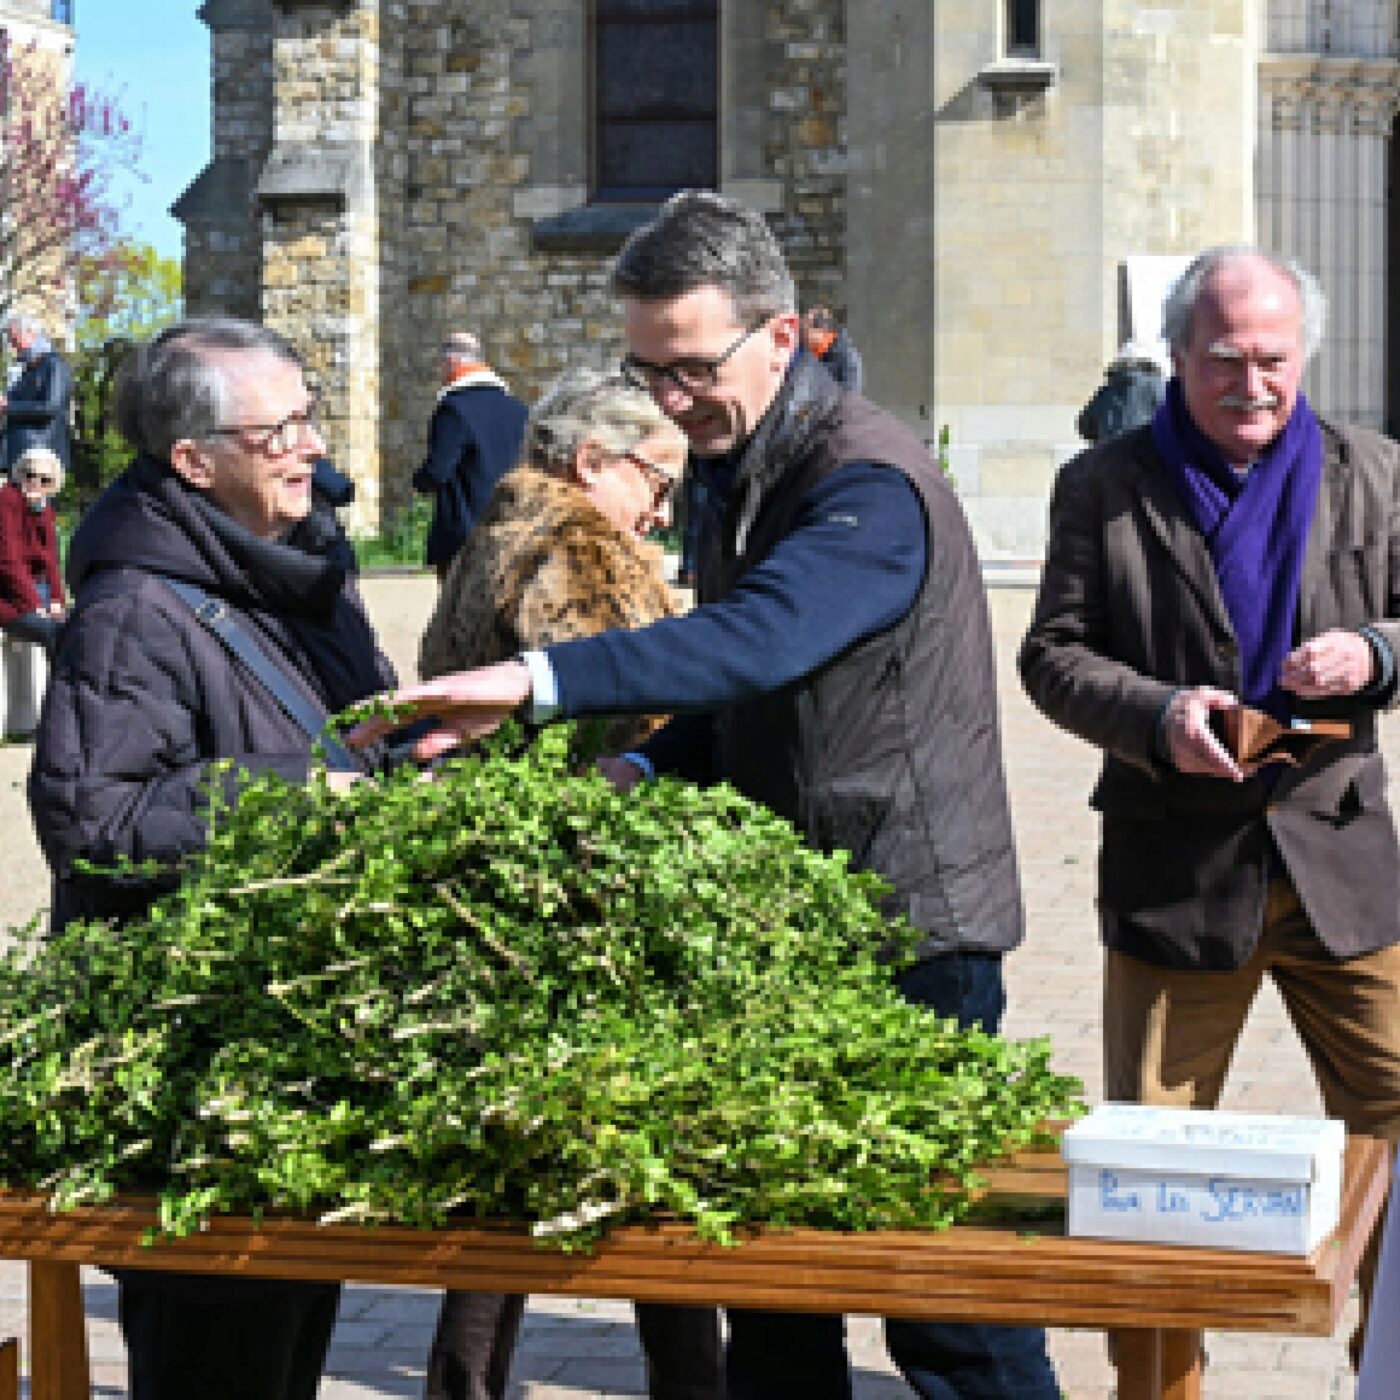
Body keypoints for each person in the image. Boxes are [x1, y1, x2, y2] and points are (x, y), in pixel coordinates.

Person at [350, 190, 1058, 1400]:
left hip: (906, 932)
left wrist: (537, 680)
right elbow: (747, 703)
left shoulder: (865, 482)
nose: (671, 399)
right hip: (791, 924)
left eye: (689, 366)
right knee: (776, 1291)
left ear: (779, 337)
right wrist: (640, 763)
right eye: (647, 370)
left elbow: (760, 640)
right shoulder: (745, 465)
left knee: (940, 1296)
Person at [1019, 245, 1400, 1373]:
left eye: (1272, 359)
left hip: (1340, 865)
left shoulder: (1373, 469)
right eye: (1223, 359)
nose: (1251, 383)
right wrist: (1156, 712)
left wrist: (1376, 654)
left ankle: (1384, 1367)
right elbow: (1050, 656)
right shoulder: (1102, 482)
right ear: (1177, 356)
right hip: (1173, 873)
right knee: (1152, 1169)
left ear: (1303, 357)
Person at [28, 316, 398, 1400]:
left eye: (307, 416)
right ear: (194, 463)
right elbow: (91, 813)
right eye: (276, 427)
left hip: (293, 1053)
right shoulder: (132, 607)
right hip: (198, 1083)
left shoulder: (295, 570)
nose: (307, 446)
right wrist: (298, 793)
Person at [419, 366, 721, 1400]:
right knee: (639, 1155)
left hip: (493, 884)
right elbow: (636, 708)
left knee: (502, 1168)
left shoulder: (492, 531)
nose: (661, 506)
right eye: (655, 479)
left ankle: (463, 1383)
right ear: (590, 462)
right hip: (578, 899)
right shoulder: (579, 548)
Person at [411, 330, 528, 580]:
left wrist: (418, 483)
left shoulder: (453, 409)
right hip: (513, 532)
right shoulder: (519, 410)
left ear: (451, 362)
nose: (439, 373)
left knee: (458, 614)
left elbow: (438, 470)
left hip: (466, 536)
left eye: (439, 365)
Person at [0, 446, 66, 654]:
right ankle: (65, 686)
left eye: (44, 480)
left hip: (35, 593)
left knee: (82, 626)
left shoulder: (45, 511)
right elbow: (8, 561)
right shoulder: (7, 500)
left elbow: (51, 562)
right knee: (57, 634)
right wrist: (34, 604)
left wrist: (57, 600)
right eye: (30, 475)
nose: (35, 483)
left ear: (52, 486)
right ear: (19, 474)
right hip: (10, 597)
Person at [2, 312, 74, 474]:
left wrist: (8, 406)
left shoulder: (54, 365)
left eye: (14, 339)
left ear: (31, 334)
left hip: (39, 458)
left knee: (36, 500)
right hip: (21, 455)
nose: (12, 345)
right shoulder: (26, 369)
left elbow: (50, 407)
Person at [1075, 339, 1166, 444]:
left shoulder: (1107, 390)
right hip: (1147, 452)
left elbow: (1084, 425)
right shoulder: (1160, 387)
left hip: (1112, 453)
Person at [800, 304, 863, 393]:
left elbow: (850, 399)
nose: (801, 332)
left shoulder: (849, 362)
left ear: (823, 332)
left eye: (806, 329)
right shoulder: (804, 346)